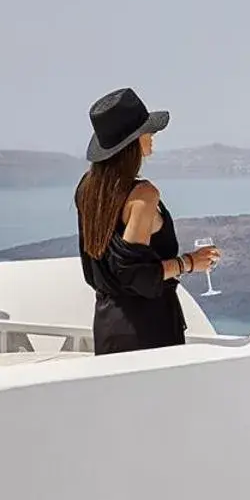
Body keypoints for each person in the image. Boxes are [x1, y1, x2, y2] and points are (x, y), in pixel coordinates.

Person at [74, 87, 220, 354]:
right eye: (147, 131)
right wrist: (190, 263)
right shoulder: (143, 195)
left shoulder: (88, 190)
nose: (152, 136)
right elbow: (135, 275)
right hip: (148, 329)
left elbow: (113, 266)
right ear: (131, 142)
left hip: (108, 325)